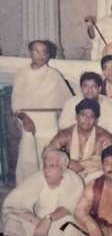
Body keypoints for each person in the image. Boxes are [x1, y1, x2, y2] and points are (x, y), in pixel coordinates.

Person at [1, 149, 83, 236]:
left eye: (52, 166)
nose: (46, 170)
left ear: (63, 168)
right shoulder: (39, 178)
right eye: (45, 165)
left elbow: (68, 207)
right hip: (39, 222)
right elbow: (13, 203)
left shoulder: (73, 179)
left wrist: (49, 219)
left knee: (65, 225)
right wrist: (34, 219)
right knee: (12, 220)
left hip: (61, 220)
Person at [12, 40, 73, 184]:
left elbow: (68, 102)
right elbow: (16, 103)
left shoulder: (53, 75)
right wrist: (24, 118)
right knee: (28, 161)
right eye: (36, 51)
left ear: (49, 55)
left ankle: (49, 191)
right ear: (30, 53)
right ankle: (26, 194)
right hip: (28, 122)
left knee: (48, 158)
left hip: (49, 124)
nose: (41, 56)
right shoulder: (22, 74)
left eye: (44, 52)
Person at [45, 98, 112, 180]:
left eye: (91, 116)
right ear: (76, 116)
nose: (87, 119)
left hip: (94, 176)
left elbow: (110, 161)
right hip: (69, 175)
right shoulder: (66, 134)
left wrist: (81, 165)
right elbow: (47, 152)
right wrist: (68, 162)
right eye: (83, 115)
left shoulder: (104, 137)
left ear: (96, 120)